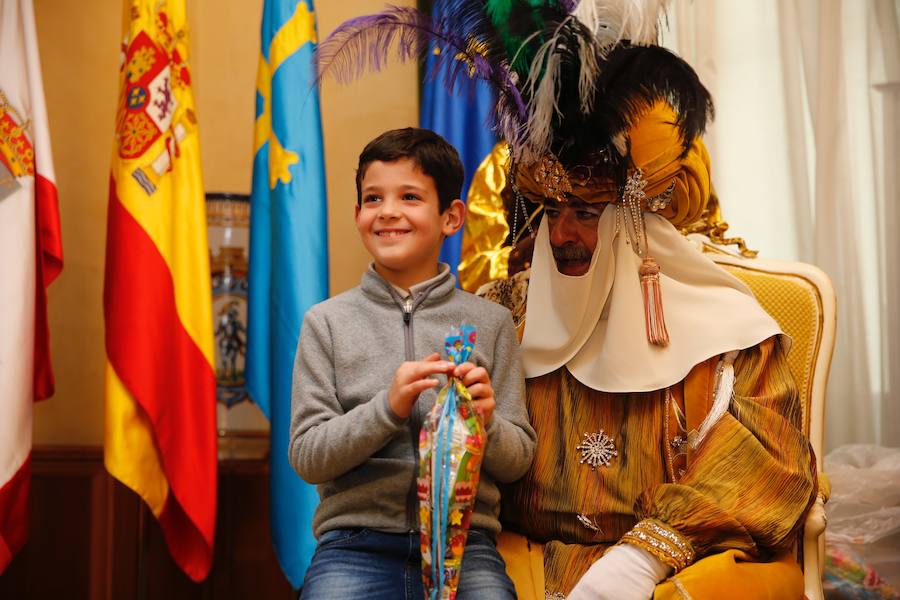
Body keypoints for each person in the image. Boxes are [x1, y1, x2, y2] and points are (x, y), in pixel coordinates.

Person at [315, 4, 820, 598]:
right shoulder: (507, 312)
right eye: (552, 211)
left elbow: (768, 466)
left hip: (676, 570)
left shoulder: (732, 335)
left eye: (584, 212)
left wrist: (643, 558)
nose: (560, 235)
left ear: (635, 220)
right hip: (522, 559)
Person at [288, 127, 536, 600]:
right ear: (357, 213)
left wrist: (488, 423)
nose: (388, 212)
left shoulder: (493, 322)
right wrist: (388, 407)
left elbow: (518, 459)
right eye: (373, 198)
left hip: (467, 546)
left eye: (410, 196)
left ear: (452, 216)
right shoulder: (326, 323)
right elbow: (308, 456)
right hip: (355, 544)